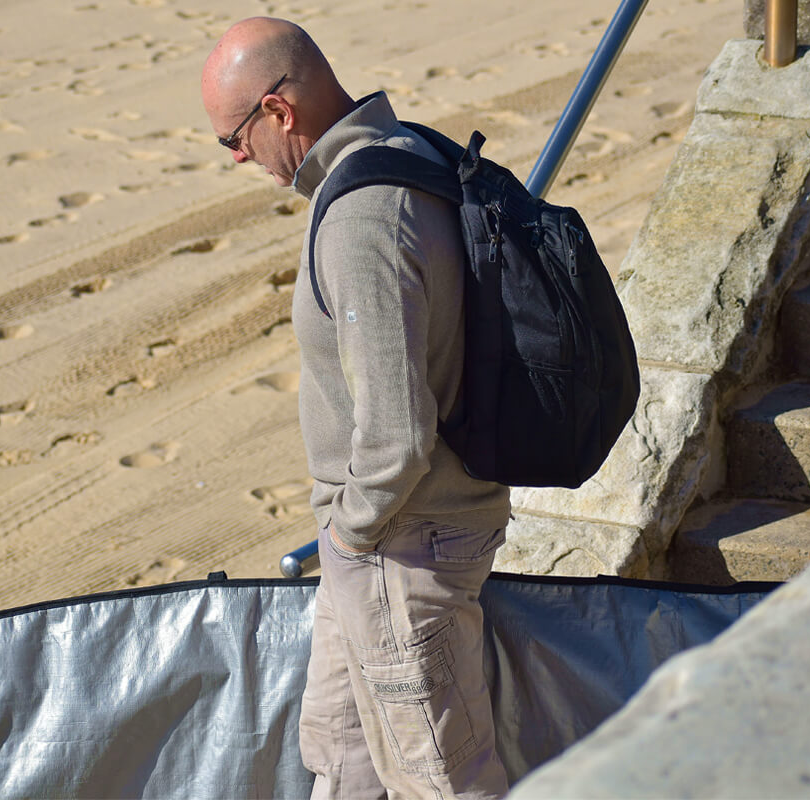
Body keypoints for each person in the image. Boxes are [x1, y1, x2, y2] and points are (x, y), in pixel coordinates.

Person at [202, 18, 512, 799]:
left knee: (442, 782)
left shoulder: (362, 219)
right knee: (341, 765)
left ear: (278, 113)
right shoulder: (411, 151)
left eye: (233, 138)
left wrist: (347, 533)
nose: (237, 157)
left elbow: (398, 435)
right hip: (387, 546)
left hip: (399, 551)